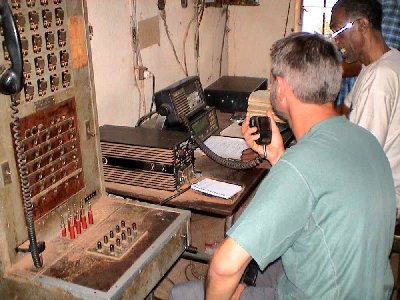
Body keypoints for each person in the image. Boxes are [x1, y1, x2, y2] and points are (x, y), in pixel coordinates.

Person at [169, 32, 396, 300]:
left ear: (282, 88)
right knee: (257, 261)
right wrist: (278, 156)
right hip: (361, 286)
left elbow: (223, 267)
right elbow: (318, 196)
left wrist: (288, 163)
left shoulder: (300, 165)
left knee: (186, 293)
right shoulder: (364, 139)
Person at [330, 0, 400, 211]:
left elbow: (359, 160)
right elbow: (344, 111)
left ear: (362, 25)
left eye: (339, 31)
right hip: (371, 183)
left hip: (379, 199)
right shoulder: (381, 62)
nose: (337, 41)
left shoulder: (380, 78)